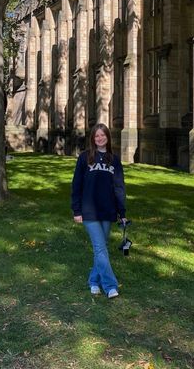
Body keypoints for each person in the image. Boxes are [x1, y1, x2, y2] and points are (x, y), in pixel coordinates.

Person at [71, 123, 127, 299]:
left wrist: (122, 213)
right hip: (89, 212)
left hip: (107, 210)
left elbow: (119, 187)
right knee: (100, 248)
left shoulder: (114, 160)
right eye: (97, 136)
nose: (100, 138)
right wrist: (76, 210)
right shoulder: (84, 158)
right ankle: (110, 286)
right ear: (93, 139)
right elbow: (76, 186)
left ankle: (94, 281)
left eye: (103, 135)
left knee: (101, 249)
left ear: (108, 137)